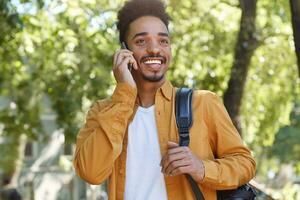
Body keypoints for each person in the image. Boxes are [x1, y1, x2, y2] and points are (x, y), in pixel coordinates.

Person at [73, 0, 256, 199]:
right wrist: (123, 94)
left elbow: (245, 163)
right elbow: (90, 172)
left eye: (163, 41)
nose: (155, 49)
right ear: (124, 50)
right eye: (141, 41)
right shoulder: (103, 112)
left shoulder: (203, 103)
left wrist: (202, 168)